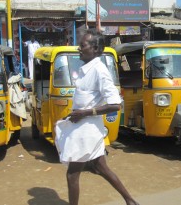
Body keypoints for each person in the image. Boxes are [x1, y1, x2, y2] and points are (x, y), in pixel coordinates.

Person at [55, 30, 139, 205]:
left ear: (95, 49)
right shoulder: (86, 69)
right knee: (101, 168)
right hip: (84, 128)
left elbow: (116, 104)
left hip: (86, 132)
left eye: (82, 46)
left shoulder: (99, 71)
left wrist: (84, 113)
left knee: (72, 174)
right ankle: (130, 201)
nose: (79, 49)